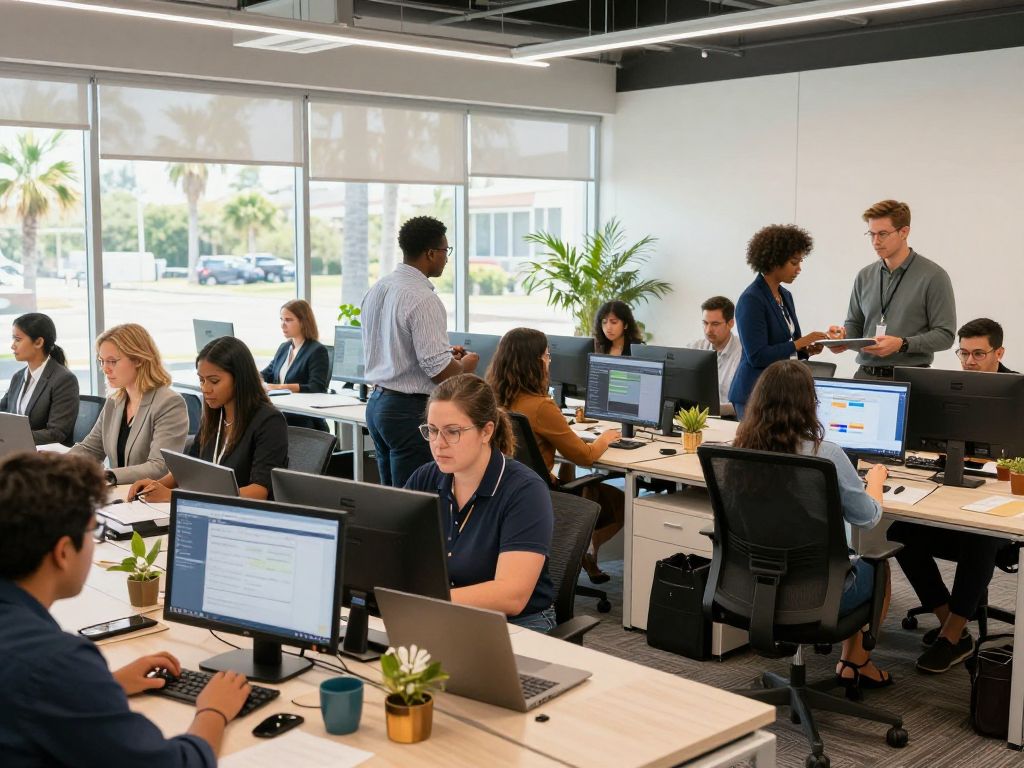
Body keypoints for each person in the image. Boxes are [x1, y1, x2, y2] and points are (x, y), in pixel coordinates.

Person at [0, 450, 251, 768]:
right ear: (63, 552)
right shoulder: (54, 663)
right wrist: (214, 710)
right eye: (92, 532)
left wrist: (100, 688)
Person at [735, 360, 892, 691]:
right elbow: (867, 516)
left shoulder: (740, 450)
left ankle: (853, 662)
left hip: (751, 587)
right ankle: (856, 662)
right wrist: (875, 482)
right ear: (810, 404)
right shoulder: (828, 455)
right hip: (817, 594)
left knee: (848, 560)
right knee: (878, 565)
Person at [885, 317, 1014, 674]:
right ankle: (951, 626)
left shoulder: (1016, 391)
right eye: (963, 353)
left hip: (997, 510)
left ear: (998, 352)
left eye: (978, 353)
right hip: (953, 492)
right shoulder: (948, 388)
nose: (969, 362)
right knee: (900, 533)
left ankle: (951, 636)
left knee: (980, 537)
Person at [405, 374, 557, 633]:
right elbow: (394, 546)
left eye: (452, 432)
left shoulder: (525, 491)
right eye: (432, 431)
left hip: (516, 625)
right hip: (445, 615)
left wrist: (427, 601)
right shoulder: (427, 477)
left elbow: (512, 596)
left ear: (486, 431)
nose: (438, 444)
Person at [488, 327, 623, 584]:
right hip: (538, 494)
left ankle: (577, 552)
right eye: (548, 356)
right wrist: (605, 438)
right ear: (536, 362)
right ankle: (582, 551)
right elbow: (584, 456)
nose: (550, 362)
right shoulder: (541, 406)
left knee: (571, 477)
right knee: (620, 501)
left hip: (505, 490)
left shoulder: (492, 397)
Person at [361, 216, 479, 487]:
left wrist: (445, 354)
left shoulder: (379, 288)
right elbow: (441, 374)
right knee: (414, 500)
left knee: (392, 497)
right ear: (429, 253)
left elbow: (393, 344)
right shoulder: (423, 298)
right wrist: (466, 366)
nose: (446, 259)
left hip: (377, 405)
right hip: (407, 411)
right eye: (444, 252)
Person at [127, 336, 288, 502]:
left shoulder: (269, 422)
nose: (205, 388)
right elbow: (190, 468)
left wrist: (177, 496)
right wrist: (155, 485)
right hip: (210, 511)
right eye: (201, 380)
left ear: (240, 379)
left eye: (214, 381)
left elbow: (259, 492)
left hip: (245, 517)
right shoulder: (215, 415)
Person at [828, 199, 956, 379]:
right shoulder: (864, 276)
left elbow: (945, 335)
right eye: (871, 234)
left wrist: (902, 344)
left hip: (910, 380)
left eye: (882, 234)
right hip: (865, 377)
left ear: (904, 232)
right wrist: (842, 338)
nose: (875, 241)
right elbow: (855, 324)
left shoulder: (934, 276)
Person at [728, 225, 828, 419]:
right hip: (753, 394)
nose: (799, 268)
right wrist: (800, 342)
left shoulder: (785, 295)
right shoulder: (752, 299)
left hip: (778, 393)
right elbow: (757, 356)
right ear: (774, 262)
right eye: (794, 262)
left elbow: (785, 345)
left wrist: (805, 350)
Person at [69, 323, 187, 485]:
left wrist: (107, 476)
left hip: (146, 500)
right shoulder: (115, 401)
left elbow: (160, 467)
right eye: (101, 361)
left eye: (112, 361)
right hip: (119, 496)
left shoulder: (169, 403)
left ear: (138, 360)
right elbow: (91, 449)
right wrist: (54, 464)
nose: (105, 369)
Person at [1, 312, 79, 445]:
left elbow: (56, 433)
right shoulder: (18, 377)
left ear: (38, 342)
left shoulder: (64, 380)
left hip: (42, 458)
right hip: (15, 451)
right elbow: (3, 410)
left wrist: (13, 438)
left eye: (18, 339)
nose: (13, 345)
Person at [260, 298, 330, 432]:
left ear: (303, 322)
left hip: (302, 421)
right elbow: (266, 373)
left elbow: (316, 387)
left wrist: (279, 387)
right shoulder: (284, 348)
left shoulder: (317, 350)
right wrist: (256, 380)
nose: (282, 325)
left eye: (288, 320)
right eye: (281, 319)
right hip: (281, 414)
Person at [685, 296, 742, 417]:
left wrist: (708, 409)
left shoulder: (743, 354)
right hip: (695, 417)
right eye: (705, 323)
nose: (708, 330)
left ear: (730, 323)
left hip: (728, 420)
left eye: (715, 324)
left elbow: (743, 405)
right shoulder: (694, 348)